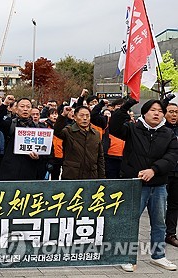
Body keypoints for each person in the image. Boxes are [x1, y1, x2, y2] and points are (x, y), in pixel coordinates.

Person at [110, 98, 178, 272]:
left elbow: (171, 157)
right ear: (145, 112)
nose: (157, 113)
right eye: (153, 110)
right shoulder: (132, 128)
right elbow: (115, 126)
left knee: (159, 223)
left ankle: (158, 256)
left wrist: (154, 170)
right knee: (130, 222)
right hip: (135, 184)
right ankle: (126, 257)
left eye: (160, 111)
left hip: (159, 185)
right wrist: (126, 105)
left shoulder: (168, 134)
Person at [0, 98, 47, 180]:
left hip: (30, 170)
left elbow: (46, 151)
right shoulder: (11, 124)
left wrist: (39, 157)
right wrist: (5, 104)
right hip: (10, 170)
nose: (25, 109)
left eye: (28, 107)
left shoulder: (39, 128)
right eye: (22, 106)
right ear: (16, 109)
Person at [54, 106, 105, 180]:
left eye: (87, 116)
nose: (85, 118)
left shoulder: (96, 134)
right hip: (72, 175)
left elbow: (100, 157)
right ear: (75, 117)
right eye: (81, 115)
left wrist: (102, 178)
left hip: (91, 175)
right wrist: (63, 115)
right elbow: (57, 131)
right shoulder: (68, 131)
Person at [164, 103, 178, 248]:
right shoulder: (161, 130)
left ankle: (171, 234)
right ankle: (159, 231)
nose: (174, 115)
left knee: (174, 204)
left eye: (176, 112)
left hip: (177, 172)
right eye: (171, 112)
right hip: (164, 172)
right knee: (160, 204)